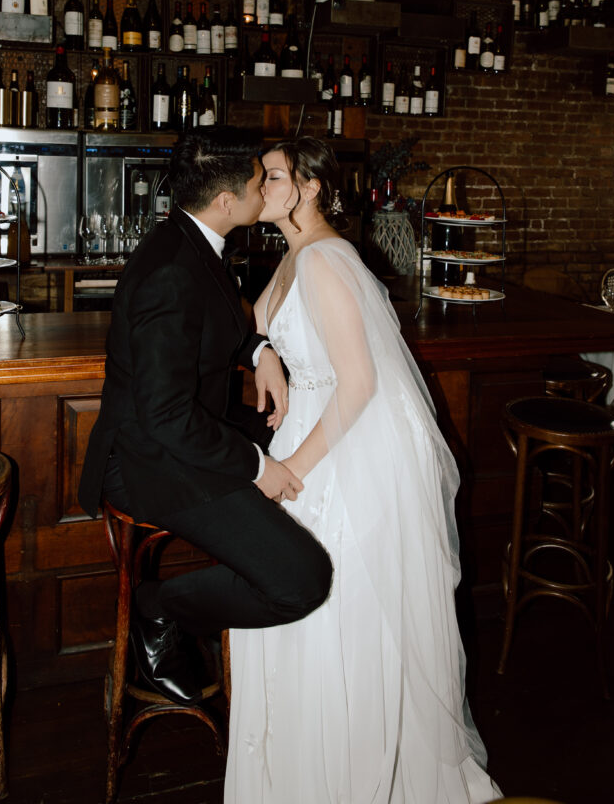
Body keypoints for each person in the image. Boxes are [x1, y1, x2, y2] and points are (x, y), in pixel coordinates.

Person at [225, 137, 502, 803]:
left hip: (338, 450)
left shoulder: (325, 259)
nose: (261, 187)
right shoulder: (293, 254)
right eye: (258, 177)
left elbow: (357, 383)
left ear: (312, 187)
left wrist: (291, 465)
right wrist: (266, 358)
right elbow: (265, 331)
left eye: (274, 177)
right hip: (306, 426)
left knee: (336, 616)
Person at [79, 127, 332, 705]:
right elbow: (166, 417)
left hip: (184, 432)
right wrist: (253, 467)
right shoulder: (170, 269)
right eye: (254, 182)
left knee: (302, 436)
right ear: (226, 202)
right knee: (302, 580)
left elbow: (212, 324)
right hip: (148, 459)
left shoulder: (194, 240)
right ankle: (158, 608)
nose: (262, 192)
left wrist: (257, 351)